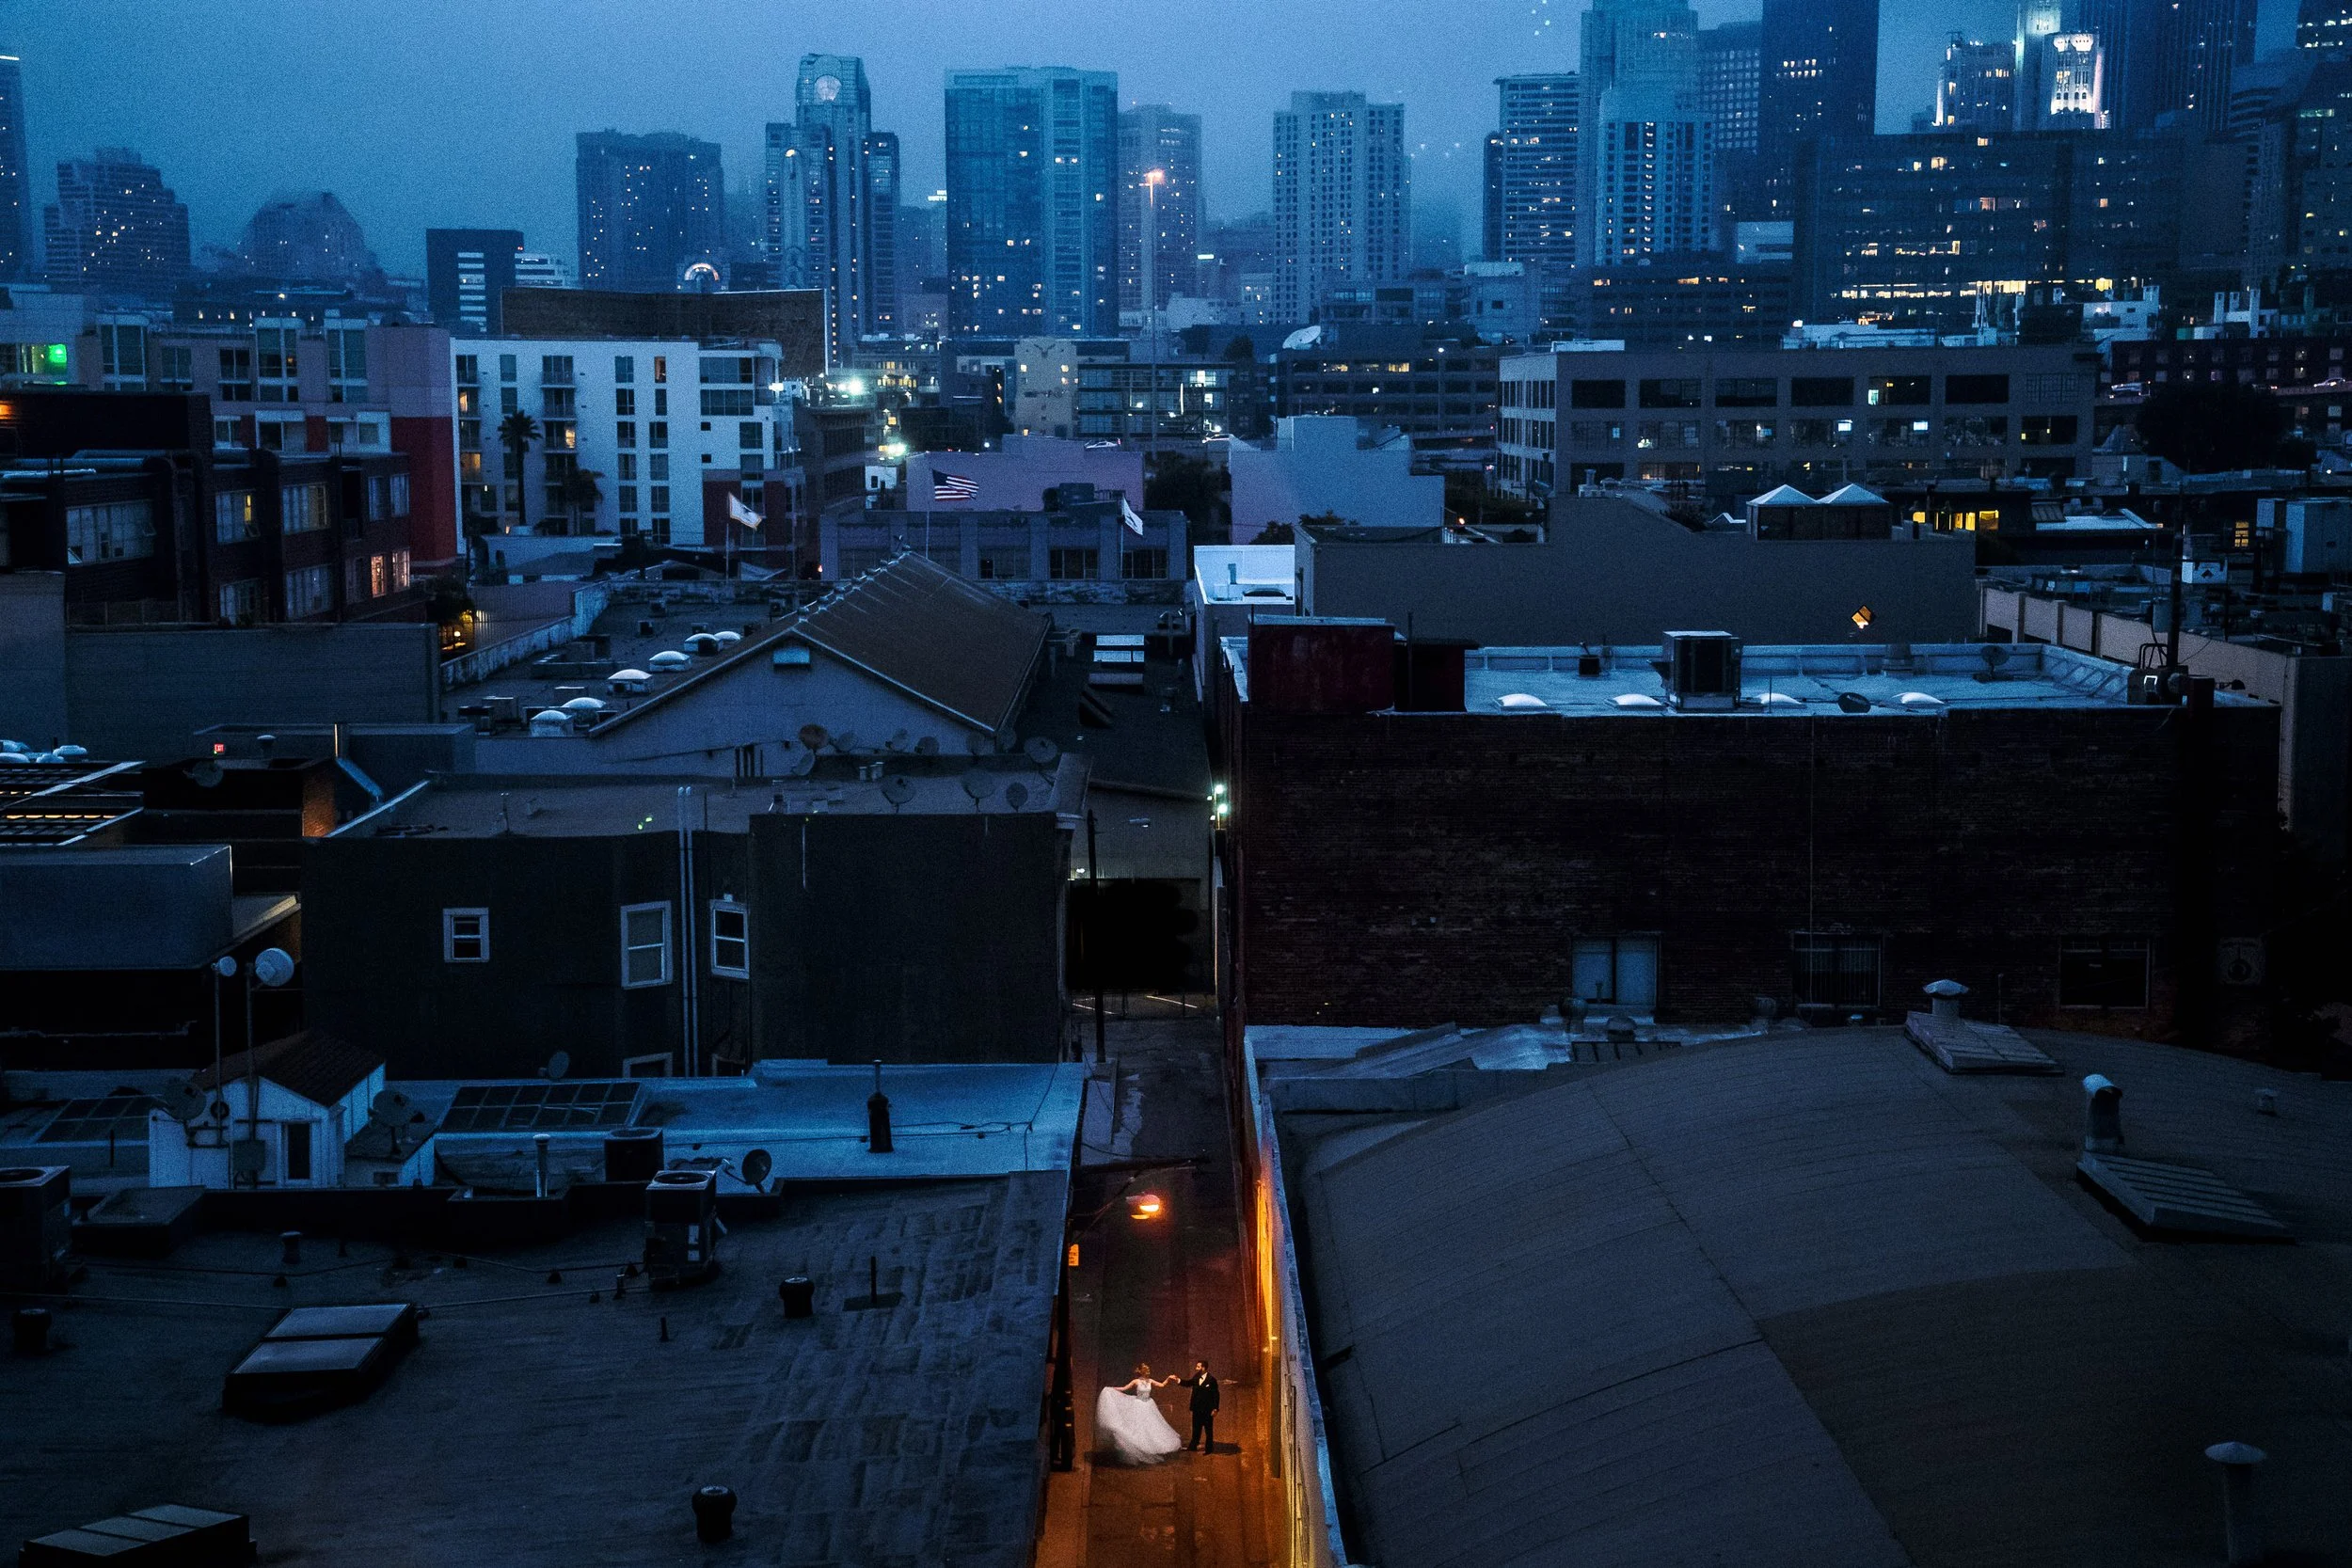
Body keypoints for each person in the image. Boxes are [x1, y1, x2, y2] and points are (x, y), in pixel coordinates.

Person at [1094, 1362, 1184, 1465]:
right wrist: (1111, 1389)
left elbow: (1162, 1385)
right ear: (1142, 1372)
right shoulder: (1136, 1381)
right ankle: (1140, 1446)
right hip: (1139, 1405)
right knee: (1139, 1427)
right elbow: (1124, 1388)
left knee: (1151, 1426)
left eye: (1148, 1371)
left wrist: (1169, 1378)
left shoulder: (1150, 1381)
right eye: (1146, 1371)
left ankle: (1152, 1445)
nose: (1148, 1373)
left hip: (1149, 1405)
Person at [1184, 1360, 1221, 1452]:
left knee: (1208, 1429)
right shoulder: (1197, 1377)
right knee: (1196, 1428)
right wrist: (1179, 1380)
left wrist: (1215, 1408)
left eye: (1198, 1367)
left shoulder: (1211, 1380)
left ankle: (1209, 1448)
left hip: (1207, 1409)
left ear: (1203, 1368)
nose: (1196, 1368)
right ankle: (1193, 1445)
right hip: (1197, 1408)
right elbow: (1189, 1383)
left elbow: (1216, 1395)